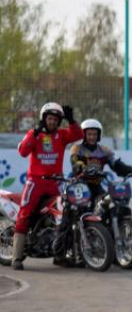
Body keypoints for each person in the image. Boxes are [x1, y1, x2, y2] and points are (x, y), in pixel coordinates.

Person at [53, 119, 132, 264]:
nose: (92, 137)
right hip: (78, 186)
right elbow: (75, 163)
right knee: (71, 216)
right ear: (84, 135)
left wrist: (130, 170)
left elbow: (116, 165)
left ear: (99, 135)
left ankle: (110, 248)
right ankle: (61, 253)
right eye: (89, 134)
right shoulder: (76, 149)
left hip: (96, 187)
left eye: (95, 134)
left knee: (107, 208)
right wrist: (82, 167)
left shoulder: (104, 151)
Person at [11, 103, 82, 270]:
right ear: (44, 119)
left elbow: (78, 135)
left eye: (56, 120)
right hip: (35, 182)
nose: (52, 122)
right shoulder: (33, 134)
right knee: (24, 213)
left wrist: (72, 121)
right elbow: (22, 151)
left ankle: (59, 256)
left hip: (56, 182)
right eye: (49, 119)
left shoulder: (62, 135)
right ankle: (16, 257)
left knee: (65, 216)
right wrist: (35, 132)